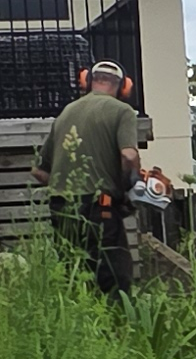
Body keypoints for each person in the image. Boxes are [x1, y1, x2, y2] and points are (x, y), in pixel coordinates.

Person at [45, 59, 153, 296]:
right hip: (100, 208)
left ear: (86, 81)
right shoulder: (122, 111)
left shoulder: (65, 112)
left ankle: (77, 325)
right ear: (123, 87)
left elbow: (40, 171)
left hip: (60, 207)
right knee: (115, 279)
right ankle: (118, 329)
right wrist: (131, 187)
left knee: (72, 274)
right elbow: (127, 155)